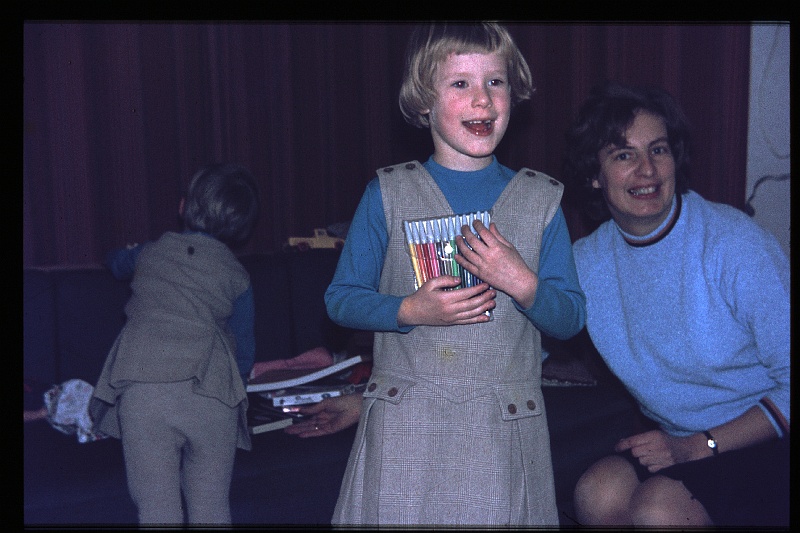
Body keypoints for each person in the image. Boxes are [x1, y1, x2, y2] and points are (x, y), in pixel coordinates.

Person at [320, 22, 586, 527]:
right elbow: (340, 299)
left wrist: (524, 283)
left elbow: (570, 318)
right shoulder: (386, 194)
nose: (482, 99)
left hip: (502, 435)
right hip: (406, 429)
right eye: (460, 83)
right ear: (424, 102)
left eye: (496, 81)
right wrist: (407, 309)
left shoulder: (541, 200)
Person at [563, 81, 790, 527]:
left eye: (659, 150)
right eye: (623, 155)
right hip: (679, 439)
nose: (646, 170)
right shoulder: (583, 264)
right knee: (596, 494)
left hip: (766, 438)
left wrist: (698, 445)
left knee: (658, 511)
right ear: (594, 174)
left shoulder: (734, 244)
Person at [89, 163, 260, 525]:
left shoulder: (150, 253)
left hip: (145, 392)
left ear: (183, 206)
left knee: (156, 511)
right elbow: (244, 350)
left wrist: (119, 252)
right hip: (213, 394)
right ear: (242, 225)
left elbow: (117, 262)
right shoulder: (236, 274)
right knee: (212, 508)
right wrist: (238, 388)